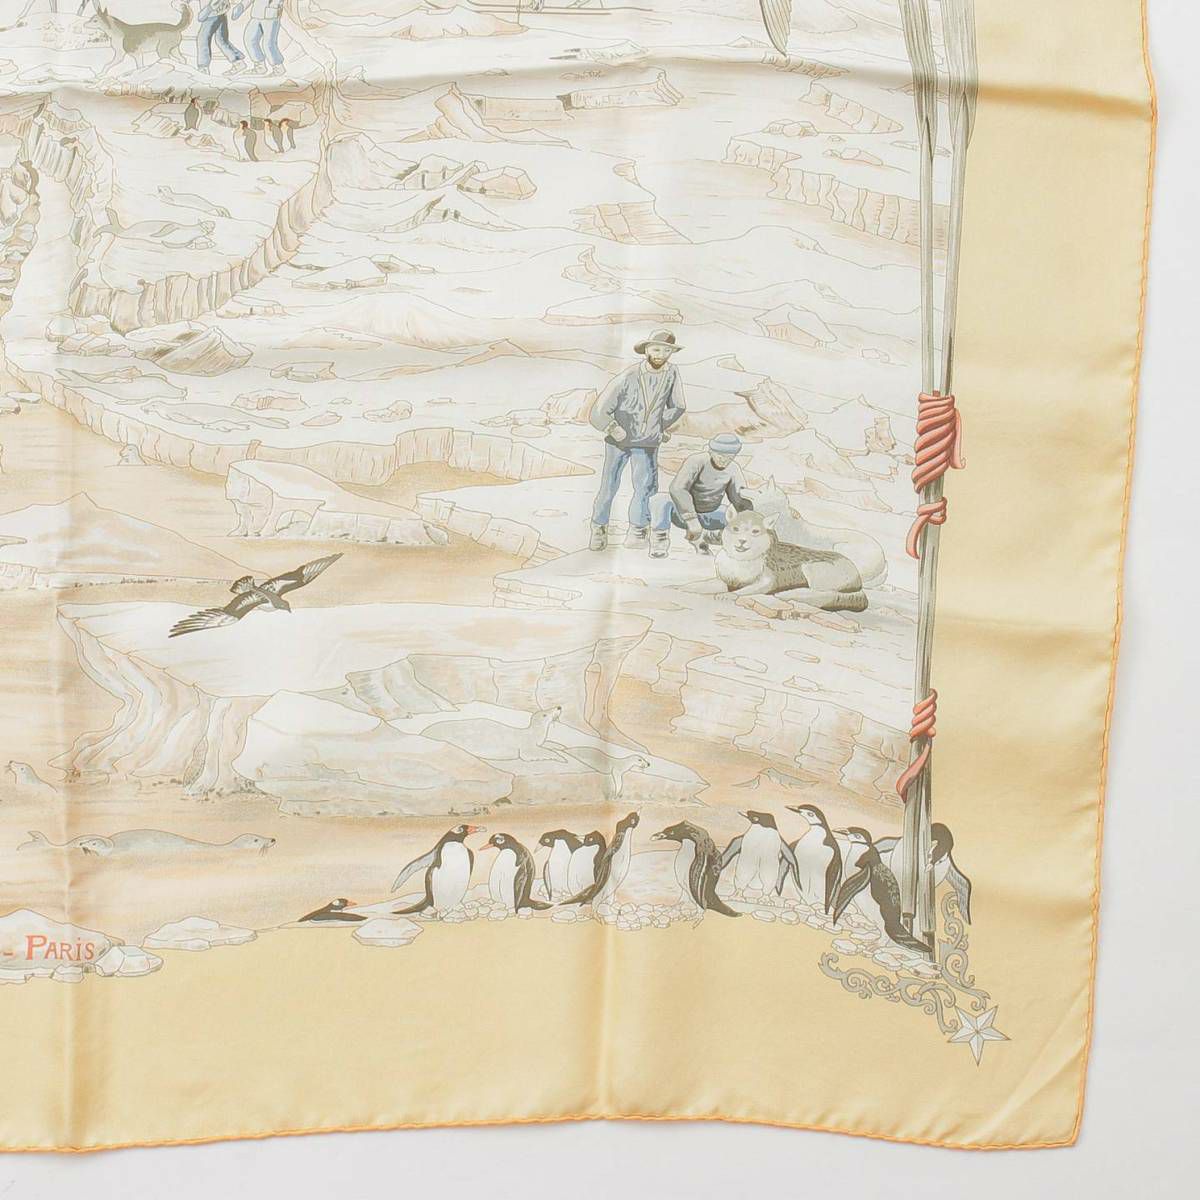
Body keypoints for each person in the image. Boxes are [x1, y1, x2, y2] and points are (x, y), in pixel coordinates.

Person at [587, 330, 686, 551]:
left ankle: (638, 530)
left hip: (647, 442)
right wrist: (613, 428)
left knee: (646, 488)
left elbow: (679, 405)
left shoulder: (672, 373)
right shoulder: (629, 376)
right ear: (646, 350)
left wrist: (659, 426)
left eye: (667, 350)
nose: (661, 354)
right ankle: (599, 527)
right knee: (609, 486)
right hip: (618, 442)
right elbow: (598, 411)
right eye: (656, 349)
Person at [649, 433, 753, 558]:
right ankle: (659, 543)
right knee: (660, 501)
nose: (724, 460)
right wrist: (691, 518)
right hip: (683, 513)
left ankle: (706, 539)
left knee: (735, 519)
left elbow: (739, 499)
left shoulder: (733, 469)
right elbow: (678, 489)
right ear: (711, 451)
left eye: (729, 457)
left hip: (710, 514)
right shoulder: (697, 461)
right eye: (720, 455)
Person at [195, 0, 246, 73]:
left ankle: (203, 67)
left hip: (212, 14)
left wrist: (206, 11)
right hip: (220, 13)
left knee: (203, 39)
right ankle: (238, 62)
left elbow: (213, 4)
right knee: (221, 40)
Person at [243, 0, 285, 75]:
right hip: (256, 14)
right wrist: (242, 6)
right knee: (249, 39)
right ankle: (260, 67)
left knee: (268, 44)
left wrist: (275, 5)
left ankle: (278, 67)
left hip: (271, 15)